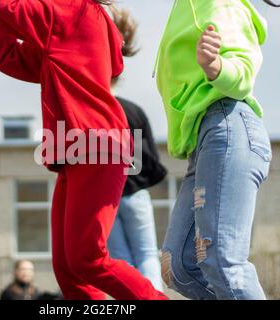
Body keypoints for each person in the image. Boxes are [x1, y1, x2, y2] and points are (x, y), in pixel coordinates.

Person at [0, 0, 168, 300]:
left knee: (88, 259)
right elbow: (8, 56)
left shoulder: (71, 10)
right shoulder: (76, 21)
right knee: (67, 268)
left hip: (97, 145)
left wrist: (2, 13)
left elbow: (9, 9)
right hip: (79, 151)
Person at [154, 0, 280, 300]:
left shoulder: (222, 4)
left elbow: (243, 71)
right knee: (178, 266)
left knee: (223, 263)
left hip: (227, 125)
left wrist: (215, 66)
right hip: (202, 142)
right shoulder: (186, 7)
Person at [107, 8, 167, 292]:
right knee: (147, 254)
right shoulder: (134, 111)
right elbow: (153, 161)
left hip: (107, 199)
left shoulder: (93, 112)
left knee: (120, 259)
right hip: (135, 193)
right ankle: (152, 296)